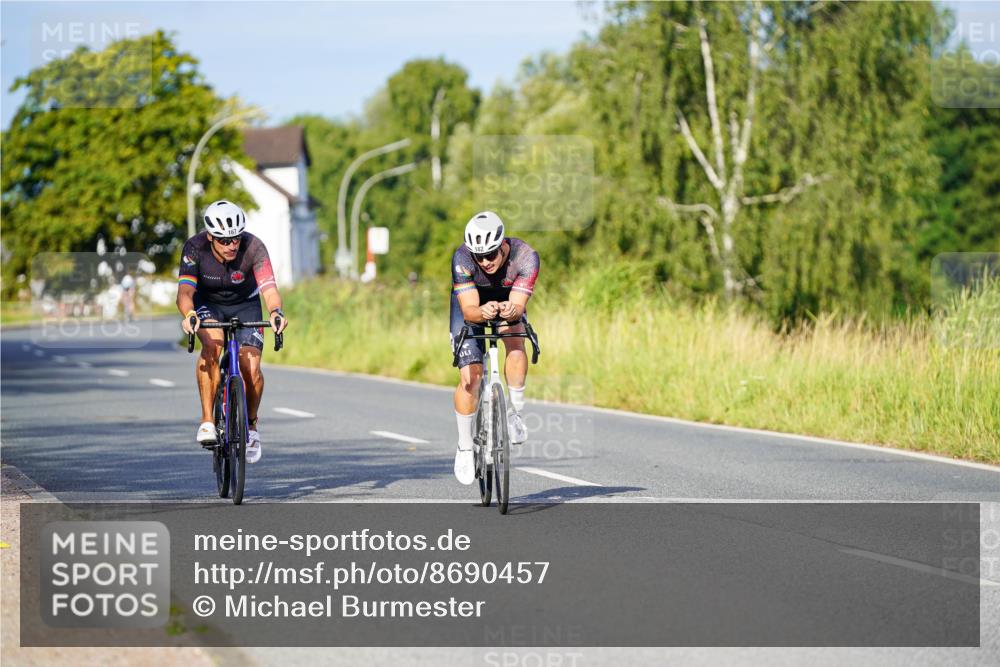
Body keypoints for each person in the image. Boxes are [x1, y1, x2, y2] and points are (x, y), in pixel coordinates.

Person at [175, 200, 289, 463]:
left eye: (236, 238)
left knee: (251, 368)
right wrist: (190, 314)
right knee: (213, 346)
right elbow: (185, 292)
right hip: (208, 305)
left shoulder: (254, 247)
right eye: (225, 240)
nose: (232, 245)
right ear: (211, 237)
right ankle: (207, 421)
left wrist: (275, 312)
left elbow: (269, 290)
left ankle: (251, 426)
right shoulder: (195, 248)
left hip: (246, 304)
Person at [450, 211, 539, 484]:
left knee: (516, 340)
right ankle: (465, 447)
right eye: (480, 257)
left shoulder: (525, 257)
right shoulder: (462, 258)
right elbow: (469, 311)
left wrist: (511, 310)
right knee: (471, 378)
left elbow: (518, 306)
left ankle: (515, 413)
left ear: (502, 245)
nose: (485, 262)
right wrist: (482, 311)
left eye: (490, 254)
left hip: (507, 299)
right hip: (472, 305)